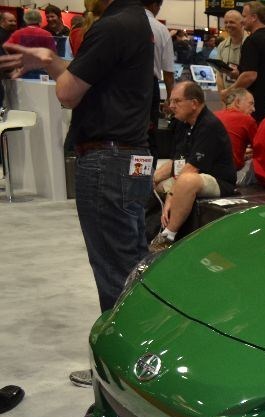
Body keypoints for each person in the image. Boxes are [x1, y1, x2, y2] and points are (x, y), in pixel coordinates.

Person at [1, 0, 155, 388]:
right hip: (131, 157)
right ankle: (139, 363)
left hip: (107, 159)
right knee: (132, 266)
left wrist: (51, 62)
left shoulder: (113, 26)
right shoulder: (138, 23)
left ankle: (119, 372)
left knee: (115, 273)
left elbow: (68, 92)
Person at [149, 81, 237, 252]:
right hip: (194, 174)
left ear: (194, 103)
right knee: (155, 183)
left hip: (219, 181)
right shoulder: (183, 123)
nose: (171, 106)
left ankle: (168, 236)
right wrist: (154, 179)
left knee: (186, 181)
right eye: (170, 101)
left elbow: (191, 169)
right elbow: (177, 161)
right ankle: (148, 230)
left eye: (176, 101)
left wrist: (171, 195)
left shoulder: (209, 125)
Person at [235, 1, 265, 122]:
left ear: (254, 17)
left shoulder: (252, 41)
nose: (242, 20)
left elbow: (250, 75)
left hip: (256, 106)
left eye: (244, 16)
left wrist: (230, 91)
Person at [143, 0, 175, 156]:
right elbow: (168, 72)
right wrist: (170, 98)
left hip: (122, 85)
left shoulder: (120, 22)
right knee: (149, 132)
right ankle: (149, 168)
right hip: (149, 86)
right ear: (155, 5)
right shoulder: (161, 29)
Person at [214, 87, 257, 174]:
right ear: (237, 102)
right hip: (229, 172)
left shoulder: (213, 115)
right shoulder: (247, 120)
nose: (253, 109)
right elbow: (260, 149)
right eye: (251, 104)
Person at [4, 10, 57, 79]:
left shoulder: (18, 33)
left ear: (25, 19)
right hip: (42, 70)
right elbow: (53, 54)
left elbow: (6, 47)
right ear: (40, 19)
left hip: (22, 69)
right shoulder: (47, 34)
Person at [214, 9, 245, 95]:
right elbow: (219, 74)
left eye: (232, 22)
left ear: (242, 23)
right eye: (226, 22)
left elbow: (249, 76)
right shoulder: (222, 46)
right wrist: (222, 94)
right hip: (227, 96)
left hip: (245, 97)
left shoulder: (250, 44)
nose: (228, 25)